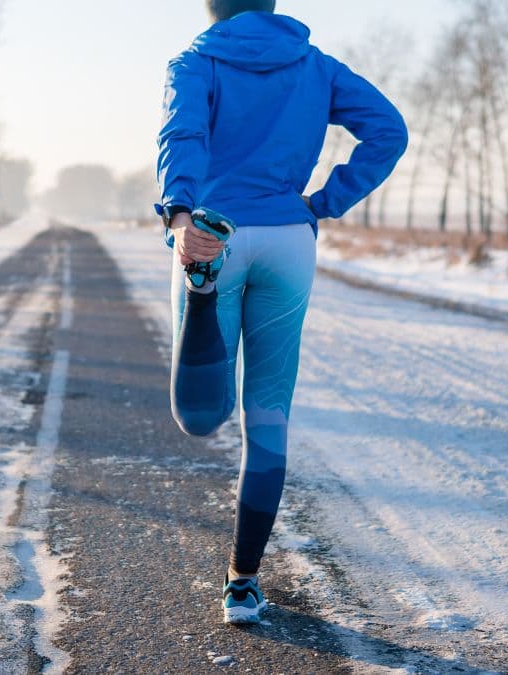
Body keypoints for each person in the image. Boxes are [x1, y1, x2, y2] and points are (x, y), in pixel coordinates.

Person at [155, 0, 408, 625]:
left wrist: (181, 218)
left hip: (214, 232)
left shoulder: (195, 60)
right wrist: (322, 203)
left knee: (200, 416)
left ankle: (202, 291)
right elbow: (389, 130)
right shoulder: (315, 65)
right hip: (290, 240)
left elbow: (180, 135)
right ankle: (243, 583)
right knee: (268, 414)